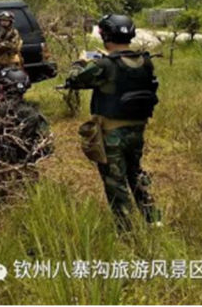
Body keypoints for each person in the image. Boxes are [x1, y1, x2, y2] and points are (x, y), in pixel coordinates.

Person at [64, 14, 161, 231]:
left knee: (115, 183)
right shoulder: (145, 61)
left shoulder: (105, 65)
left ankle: (126, 231)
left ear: (106, 35)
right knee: (135, 173)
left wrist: (80, 61)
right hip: (137, 130)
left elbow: (74, 79)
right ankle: (153, 219)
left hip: (111, 134)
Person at [0, 68, 53, 201]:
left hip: (1, 162)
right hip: (26, 162)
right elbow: (46, 147)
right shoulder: (34, 114)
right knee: (29, 194)